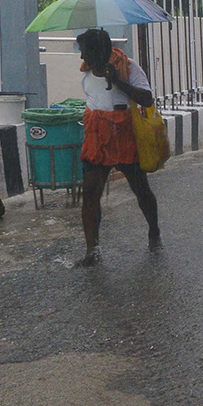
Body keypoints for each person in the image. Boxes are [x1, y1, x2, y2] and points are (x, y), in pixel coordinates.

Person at [75, 28, 160, 265]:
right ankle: (92, 251)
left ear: (99, 50)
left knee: (140, 188)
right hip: (96, 134)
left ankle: (154, 231)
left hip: (123, 134)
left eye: (85, 52)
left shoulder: (128, 66)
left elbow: (146, 99)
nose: (82, 58)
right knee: (91, 193)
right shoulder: (88, 71)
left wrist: (118, 81)